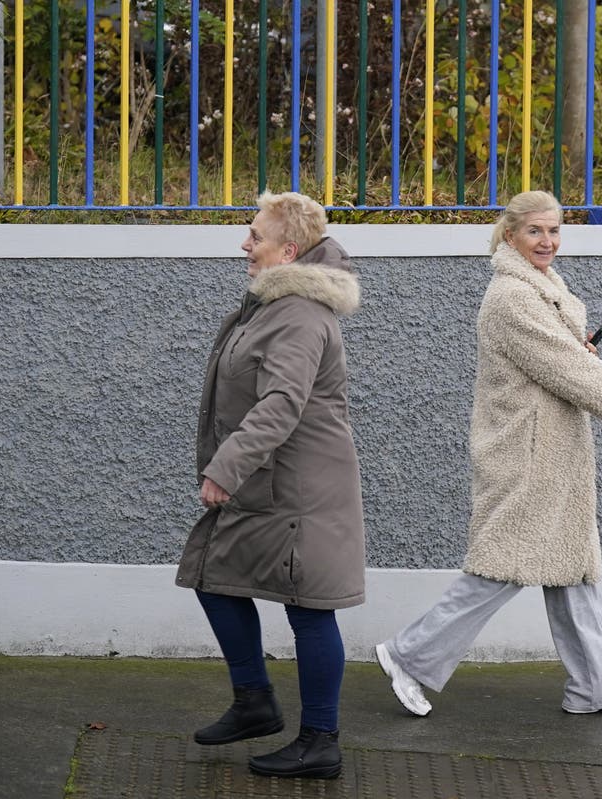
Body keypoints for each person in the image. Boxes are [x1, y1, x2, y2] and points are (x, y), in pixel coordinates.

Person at [375, 189, 602, 717]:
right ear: (510, 234)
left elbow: (559, 360)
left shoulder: (540, 288)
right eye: (535, 231)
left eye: (554, 231)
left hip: (551, 450)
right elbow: (570, 371)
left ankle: (601, 687)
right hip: (528, 454)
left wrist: (573, 346)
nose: (547, 241)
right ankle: (409, 656)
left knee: (571, 570)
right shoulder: (513, 297)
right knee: (503, 565)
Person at [175, 190, 365, 779]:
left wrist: (225, 467)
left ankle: (319, 741)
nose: (244, 243)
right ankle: (255, 702)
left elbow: (282, 403)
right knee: (213, 576)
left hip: (300, 492)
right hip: (269, 486)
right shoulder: (272, 305)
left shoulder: (300, 315)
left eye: (254, 236)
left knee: (310, 611)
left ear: (289, 250)